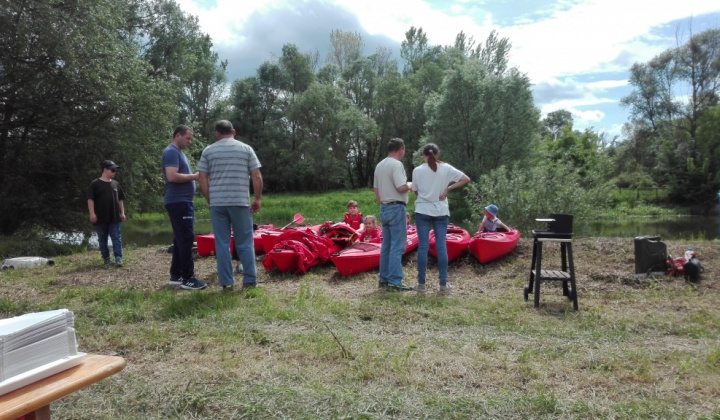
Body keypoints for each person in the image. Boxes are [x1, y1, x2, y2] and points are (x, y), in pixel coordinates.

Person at [198, 120, 263, 291]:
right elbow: (256, 175)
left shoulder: (208, 151)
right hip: (240, 201)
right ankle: (250, 281)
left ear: (217, 134)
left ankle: (227, 283)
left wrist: (209, 199)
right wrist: (257, 198)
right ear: (233, 132)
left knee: (221, 242)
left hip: (218, 203)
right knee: (245, 242)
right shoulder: (246, 149)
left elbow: (202, 178)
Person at [411, 143, 471, 292]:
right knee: (441, 246)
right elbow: (466, 179)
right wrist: (448, 188)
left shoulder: (417, 170)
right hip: (441, 211)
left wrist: (425, 196)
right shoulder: (447, 168)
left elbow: (416, 191)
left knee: (423, 247)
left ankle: (421, 284)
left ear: (423, 155)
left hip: (423, 210)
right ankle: (443, 285)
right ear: (437, 154)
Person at [162, 125, 206, 290]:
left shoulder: (178, 153)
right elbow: (172, 176)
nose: (189, 142)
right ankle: (188, 278)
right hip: (178, 202)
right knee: (186, 239)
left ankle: (176, 274)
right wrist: (195, 176)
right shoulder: (171, 152)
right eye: (187, 138)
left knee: (180, 238)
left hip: (182, 202)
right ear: (178, 135)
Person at [373, 138, 413, 291]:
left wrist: (382, 202)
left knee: (386, 246)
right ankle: (395, 282)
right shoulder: (397, 164)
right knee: (397, 246)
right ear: (401, 149)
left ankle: (383, 279)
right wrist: (410, 185)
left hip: (384, 207)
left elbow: (376, 188)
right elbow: (401, 187)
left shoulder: (379, 165)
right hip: (396, 208)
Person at [87, 160, 126, 266]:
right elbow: (90, 199)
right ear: (105, 170)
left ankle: (118, 258)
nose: (114, 172)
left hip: (114, 216)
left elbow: (121, 199)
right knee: (102, 238)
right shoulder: (95, 184)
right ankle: (106, 259)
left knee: (116, 237)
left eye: (115, 170)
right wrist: (92, 213)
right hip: (100, 217)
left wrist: (122, 212)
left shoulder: (115, 184)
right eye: (113, 170)